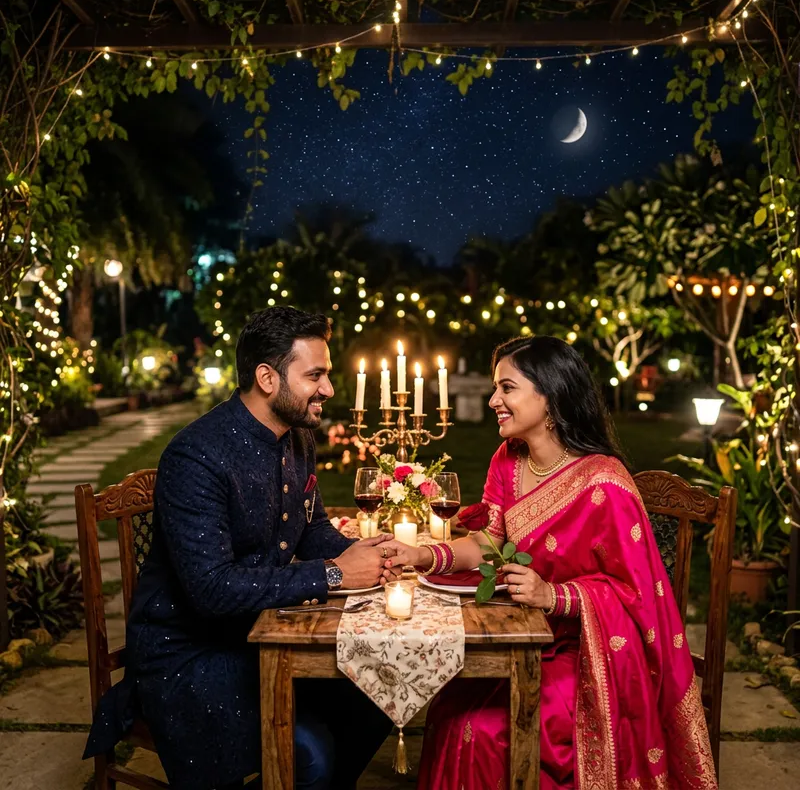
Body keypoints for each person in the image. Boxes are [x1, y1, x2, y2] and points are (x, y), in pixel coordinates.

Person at [84, 306, 398, 789]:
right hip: (188, 657)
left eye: (327, 375)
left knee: (384, 694)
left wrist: (376, 557)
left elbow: (313, 532)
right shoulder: (197, 457)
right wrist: (335, 574)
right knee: (312, 751)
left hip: (259, 634)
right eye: (315, 375)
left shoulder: (297, 440)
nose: (328, 390)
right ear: (267, 378)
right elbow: (211, 590)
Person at [387, 335, 718, 789]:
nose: (493, 400)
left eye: (507, 388)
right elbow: (488, 541)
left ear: (550, 395)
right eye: (495, 388)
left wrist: (553, 595)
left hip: (589, 651)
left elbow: (634, 598)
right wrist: (421, 555)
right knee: (453, 706)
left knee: (484, 729)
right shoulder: (509, 459)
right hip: (526, 637)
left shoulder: (604, 485)